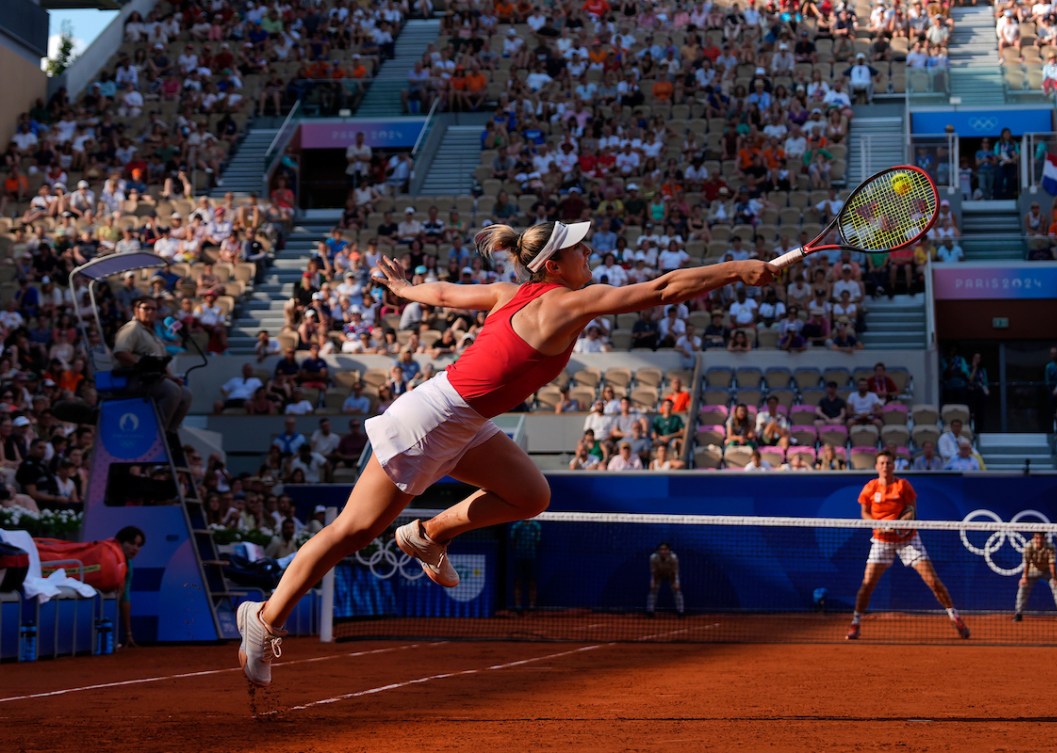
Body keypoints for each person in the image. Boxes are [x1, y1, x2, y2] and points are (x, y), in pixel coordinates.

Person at [236, 219, 776, 687]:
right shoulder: (569, 303)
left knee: (529, 493)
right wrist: (737, 268)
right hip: (431, 421)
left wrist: (406, 290)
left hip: (464, 422)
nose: (589, 254)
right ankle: (264, 619)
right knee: (350, 534)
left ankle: (427, 535)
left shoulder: (508, 293)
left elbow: (445, 294)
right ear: (553, 266)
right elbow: (662, 290)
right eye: (579, 249)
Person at [846, 451, 969, 640]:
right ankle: (855, 623)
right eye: (882, 463)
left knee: (933, 581)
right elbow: (865, 513)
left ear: (893, 466)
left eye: (888, 463)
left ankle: (955, 616)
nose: (885, 466)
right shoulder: (870, 487)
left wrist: (899, 526)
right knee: (867, 584)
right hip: (881, 541)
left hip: (908, 540)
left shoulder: (902, 486)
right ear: (877, 466)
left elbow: (912, 510)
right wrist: (879, 525)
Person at [112, 296, 193, 432]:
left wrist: (172, 377)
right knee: (171, 391)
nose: (150, 312)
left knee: (186, 393)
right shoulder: (132, 329)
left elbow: (160, 361)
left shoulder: (152, 333)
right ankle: (155, 432)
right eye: (146, 308)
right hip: (134, 379)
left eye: (154, 309)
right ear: (136, 310)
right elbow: (121, 353)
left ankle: (170, 432)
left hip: (152, 377)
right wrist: (141, 363)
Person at [1013, 531, 1057, 622]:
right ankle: (1018, 614)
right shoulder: (1028, 546)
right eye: (1037, 538)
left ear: (1045, 539)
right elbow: (1026, 563)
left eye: (1041, 538)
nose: (1039, 541)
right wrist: (1024, 577)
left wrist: (1055, 579)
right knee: (1023, 586)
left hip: (1047, 570)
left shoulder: (1051, 547)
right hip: (1033, 569)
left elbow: (1052, 565)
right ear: (1034, 538)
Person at [115, 525, 146, 648]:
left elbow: (125, 598)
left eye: (139, 545)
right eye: (132, 543)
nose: (135, 548)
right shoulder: (111, 558)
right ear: (120, 542)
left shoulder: (129, 565)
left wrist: (128, 634)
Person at [509, 518, 541, 613]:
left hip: (531, 557)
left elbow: (537, 540)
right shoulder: (516, 526)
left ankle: (532, 606)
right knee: (518, 581)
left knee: (532, 582)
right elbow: (512, 540)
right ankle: (518, 606)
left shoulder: (536, 526)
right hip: (519, 557)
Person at [647, 541, 685, 617]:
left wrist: (675, 583)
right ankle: (650, 611)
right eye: (661, 549)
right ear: (658, 550)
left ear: (669, 550)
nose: (663, 551)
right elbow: (654, 571)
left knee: (677, 591)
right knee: (653, 590)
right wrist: (653, 582)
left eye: (665, 549)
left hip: (671, 574)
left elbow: (675, 571)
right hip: (658, 574)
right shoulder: (653, 557)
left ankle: (680, 611)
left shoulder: (674, 557)